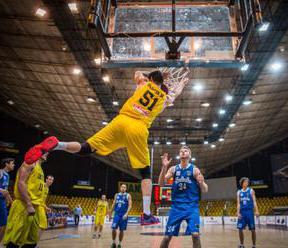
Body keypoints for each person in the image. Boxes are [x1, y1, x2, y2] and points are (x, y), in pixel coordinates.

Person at [25, 69, 188, 225]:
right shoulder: (162, 100)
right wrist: (180, 84)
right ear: (162, 84)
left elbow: (137, 74)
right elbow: (173, 95)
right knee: (145, 173)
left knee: (86, 148)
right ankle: (146, 214)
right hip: (138, 128)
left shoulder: (143, 84)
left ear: (151, 79)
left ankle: (57, 145)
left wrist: (151, 76)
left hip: (121, 121)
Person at [158, 146, 208, 248]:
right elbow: (161, 184)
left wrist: (202, 183)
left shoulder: (194, 169)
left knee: (195, 235)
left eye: (185, 151)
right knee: (167, 237)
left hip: (192, 207)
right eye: (181, 151)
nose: (183, 152)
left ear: (190, 155)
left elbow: (205, 189)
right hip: (176, 207)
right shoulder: (173, 169)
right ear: (179, 155)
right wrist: (164, 167)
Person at [3, 146, 50, 248]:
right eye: (44, 151)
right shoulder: (29, 163)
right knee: (15, 238)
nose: (47, 153)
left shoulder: (40, 168)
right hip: (24, 205)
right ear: (36, 152)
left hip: (35, 206)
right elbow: (21, 183)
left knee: (32, 240)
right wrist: (28, 204)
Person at [236, 177, 260, 248]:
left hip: (249, 212)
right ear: (242, 183)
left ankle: (254, 245)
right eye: (245, 182)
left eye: (247, 182)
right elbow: (238, 203)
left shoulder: (251, 191)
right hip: (242, 212)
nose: (247, 183)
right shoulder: (239, 192)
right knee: (240, 229)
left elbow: (254, 201)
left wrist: (257, 210)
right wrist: (238, 212)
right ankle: (242, 244)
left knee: (252, 229)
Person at [110, 184, 132, 248]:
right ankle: (113, 242)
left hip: (123, 215)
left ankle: (119, 244)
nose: (123, 188)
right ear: (120, 188)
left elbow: (130, 205)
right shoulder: (116, 195)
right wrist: (110, 213)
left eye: (124, 187)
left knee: (121, 230)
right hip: (116, 214)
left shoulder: (128, 195)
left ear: (126, 189)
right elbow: (113, 204)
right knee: (113, 228)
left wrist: (126, 213)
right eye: (122, 187)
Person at [0, 158, 15, 242]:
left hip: (2, 201)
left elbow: (6, 191)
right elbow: (3, 190)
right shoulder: (0, 172)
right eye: (12, 163)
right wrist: (1, 190)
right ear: (6, 164)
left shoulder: (7, 175)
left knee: (4, 225)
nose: (14, 165)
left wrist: (12, 202)